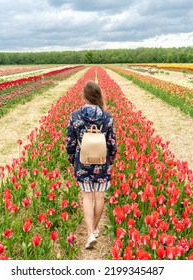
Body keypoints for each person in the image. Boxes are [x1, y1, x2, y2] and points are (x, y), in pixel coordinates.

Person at [66, 80, 117, 249]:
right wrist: (111, 159)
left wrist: (72, 158)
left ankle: (89, 233)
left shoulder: (75, 116)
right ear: (98, 95)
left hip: (84, 161)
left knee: (87, 196)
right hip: (102, 161)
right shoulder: (107, 117)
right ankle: (94, 229)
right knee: (100, 196)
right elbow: (112, 142)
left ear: (84, 96)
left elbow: (70, 142)